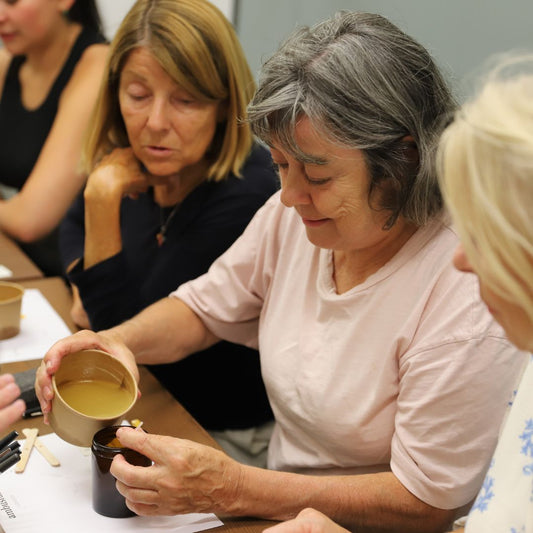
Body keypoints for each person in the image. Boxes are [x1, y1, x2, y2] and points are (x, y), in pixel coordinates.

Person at [35, 11, 527, 532]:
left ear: (401, 162)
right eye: (280, 166)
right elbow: (204, 308)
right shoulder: (297, 217)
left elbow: (428, 504)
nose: (289, 196)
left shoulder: (466, 292)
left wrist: (235, 486)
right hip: (278, 501)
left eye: (316, 175)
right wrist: (118, 343)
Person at [260, 56, 533, 533]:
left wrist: (234, 485)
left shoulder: (467, 312)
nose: (461, 259)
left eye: (488, 236)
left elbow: (432, 503)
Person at [57, 0, 277, 464]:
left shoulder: (250, 191)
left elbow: (119, 324)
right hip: (147, 402)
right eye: (138, 95)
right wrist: (83, 279)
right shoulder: (133, 157)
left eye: (185, 101)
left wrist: (102, 199)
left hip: (218, 433)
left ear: (224, 105)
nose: (155, 123)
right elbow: (71, 227)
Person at [0, 0, 108, 276]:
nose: (0, 15)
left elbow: (29, 220)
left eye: (12, 1)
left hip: (76, 274)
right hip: (22, 260)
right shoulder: (9, 63)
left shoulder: (97, 66)